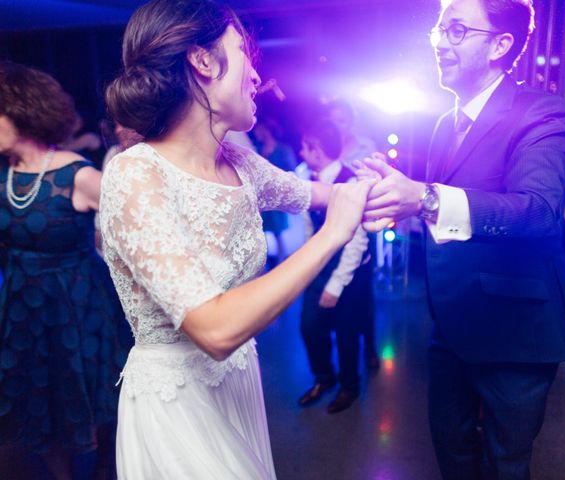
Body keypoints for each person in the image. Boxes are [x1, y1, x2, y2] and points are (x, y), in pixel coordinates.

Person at [101, 1, 372, 478]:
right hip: (177, 404)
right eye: (244, 52)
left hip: (237, 385)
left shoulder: (242, 164)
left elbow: (326, 193)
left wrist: (401, 192)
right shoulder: (135, 175)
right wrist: (330, 237)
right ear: (203, 61)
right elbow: (215, 329)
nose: (255, 75)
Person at [358, 0, 565, 478]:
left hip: (515, 331)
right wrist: (398, 203)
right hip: (451, 324)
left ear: (500, 45)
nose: (438, 42)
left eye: (456, 30)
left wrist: (425, 198)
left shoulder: (541, 112)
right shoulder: (442, 124)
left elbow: (537, 212)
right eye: (439, 29)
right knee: (451, 448)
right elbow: (445, 214)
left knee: (506, 463)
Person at [0, 61, 132, 480]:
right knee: (40, 399)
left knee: (94, 391)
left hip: (79, 304)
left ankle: (108, 463)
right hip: (24, 306)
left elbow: (136, 237)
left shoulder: (81, 175)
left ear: (21, 112)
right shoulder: (2, 177)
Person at [297, 120, 374, 414]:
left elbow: (356, 242)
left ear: (317, 150)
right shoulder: (309, 180)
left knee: (346, 333)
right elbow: (309, 230)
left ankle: (349, 387)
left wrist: (336, 284)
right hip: (320, 266)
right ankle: (324, 378)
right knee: (309, 327)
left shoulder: (351, 182)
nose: (302, 152)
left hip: (348, 271)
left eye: (306, 147)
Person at [326, 100, 380, 370]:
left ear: (351, 121)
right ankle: (346, 351)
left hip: (363, 224)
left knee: (362, 294)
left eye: (342, 120)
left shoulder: (366, 146)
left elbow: (374, 183)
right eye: (334, 120)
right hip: (337, 221)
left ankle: (370, 347)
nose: (338, 126)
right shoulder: (327, 146)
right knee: (342, 296)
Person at [252, 118, 298, 266]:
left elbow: (292, 171)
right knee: (260, 233)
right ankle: (262, 266)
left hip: (277, 199)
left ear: (265, 130)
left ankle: (281, 264)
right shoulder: (256, 150)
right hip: (260, 199)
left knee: (278, 233)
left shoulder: (283, 150)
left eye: (258, 130)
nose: (256, 133)